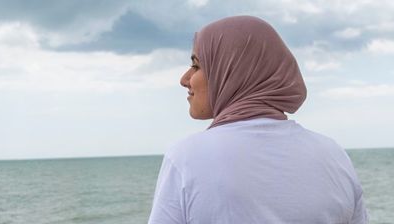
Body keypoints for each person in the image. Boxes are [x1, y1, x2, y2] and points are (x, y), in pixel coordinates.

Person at [148, 16, 368, 224]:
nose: (184, 79)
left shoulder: (187, 157)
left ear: (230, 69)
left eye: (196, 65)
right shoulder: (332, 154)